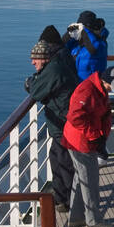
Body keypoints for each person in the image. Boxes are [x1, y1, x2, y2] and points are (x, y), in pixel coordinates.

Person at [25, 36, 80, 212]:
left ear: (45, 58)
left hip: (64, 125)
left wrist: (31, 83)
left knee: (64, 163)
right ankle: (62, 198)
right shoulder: (54, 66)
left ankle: (73, 203)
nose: (33, 62)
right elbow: (40, 86)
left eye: (35, 58)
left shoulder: (54, 70)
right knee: (57, 159)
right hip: (63, 124)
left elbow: (35, 91)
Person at [61, 70, 114, 227]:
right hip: (80, 141)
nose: (113, 90)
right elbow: (75, 116)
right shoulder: (87, 90)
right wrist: (94, 136)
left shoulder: (99, 89)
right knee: (90, 180)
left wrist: (100, 138)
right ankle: (93, 220)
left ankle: (76, 218)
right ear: (105, 81)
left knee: (81, 177)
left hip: (82, 139)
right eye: (112, 86)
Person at [66, 11, 109, 81]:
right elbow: (62, 47)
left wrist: (84, 31)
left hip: (93, 84)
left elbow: (93, 49)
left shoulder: (100, 43)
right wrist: (69, 33)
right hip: (76, 84)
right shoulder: (77, 42)